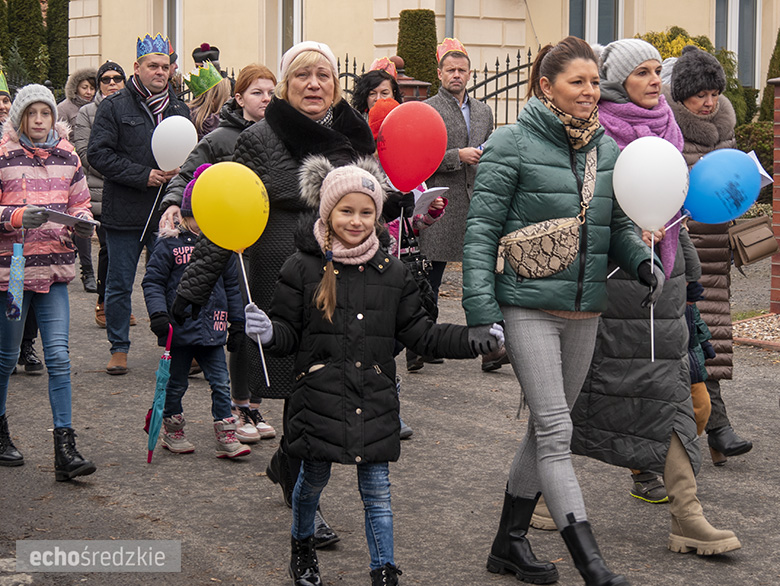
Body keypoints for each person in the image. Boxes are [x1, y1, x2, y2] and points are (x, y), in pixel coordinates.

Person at [244, 156, 493, 586]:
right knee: (311, 483)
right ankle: (302, 549)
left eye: (365, 212)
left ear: (377, 216)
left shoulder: (392, 273)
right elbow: (288, 335)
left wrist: (471, 339)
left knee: (377, 492)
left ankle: (384, 569)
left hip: (374, 399)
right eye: (346, 210)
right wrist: (268, 332)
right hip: (318, 399)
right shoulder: (301, 268)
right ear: (328, 211)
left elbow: (422, 334)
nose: (356, 221)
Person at [463, 36, 654, 585]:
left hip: (584, 310)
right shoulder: (511, 143)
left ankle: (508, 544)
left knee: (547, 428)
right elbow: (481, 232)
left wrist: (641, 260)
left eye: (595, 82)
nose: (590, 91)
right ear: (547, 86)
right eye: (578, 81)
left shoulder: (605, 149)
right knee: (554, 430)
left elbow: (617, 225)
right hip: (527, 305)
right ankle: (593, 566)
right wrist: (480, 311)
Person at [171, 41, 375, 549]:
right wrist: (193, 289)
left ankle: (287, 462)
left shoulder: (352, 139)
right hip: (280, 277)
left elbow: (371, 216)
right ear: (285, 85)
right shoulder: (259, 138)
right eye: (302, 75)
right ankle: (305, 495)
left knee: (329, 385)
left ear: (336, 86)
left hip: (341, 279)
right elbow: (229, 216)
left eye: (324, 75)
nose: (314, 84)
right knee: (302, 388)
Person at [570, 38, 740, 556]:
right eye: (641, 72)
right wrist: (625, 230)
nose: (653, 81)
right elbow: (579, 212)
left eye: (654, 71)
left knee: (669, 396)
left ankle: (688, 516)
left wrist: (685, 272)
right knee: (575, 397)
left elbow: (673, 205)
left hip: (662, 283)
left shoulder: (667, 127)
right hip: (613, 283)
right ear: (618, 81)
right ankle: (537, 498)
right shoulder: (595, 132)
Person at [159, 63, 278, 443]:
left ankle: (254, 403)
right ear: (239, 97)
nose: (266, 99)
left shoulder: (279, 135)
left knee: (264, 322)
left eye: (271, 92)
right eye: (257, 92)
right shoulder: (221, 139)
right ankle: (238, 405)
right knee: (242, 324)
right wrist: (174, 202)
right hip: (231, 244)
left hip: (269, 241)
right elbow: (186, 174)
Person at [0, 84, 97, 481]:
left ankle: (65, 449)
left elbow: (80, 201)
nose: (39, 121)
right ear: (20, 117)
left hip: (55, 270)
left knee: (58, 357)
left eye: (45, 113)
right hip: (13, 275)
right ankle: (0, 433)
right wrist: (16, 217)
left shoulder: (68, 156)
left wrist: (83, 221)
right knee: (6, 357)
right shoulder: (3, 155)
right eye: (32, 114)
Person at [665, 45, 753, 466]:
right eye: (700, 94)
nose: (709, 102)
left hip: (718, 251)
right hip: (685, 249)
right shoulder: (668, 130)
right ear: (682, 94)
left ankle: (714, 432)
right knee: (696, 341)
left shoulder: (725, 128)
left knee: (712, 340)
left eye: (714, 93)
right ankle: (715, 427)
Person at [87, 33, 190, 376]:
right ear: (137, 67)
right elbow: (98, 154)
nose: (160, 72)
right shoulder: (114, 106)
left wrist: (179, 175)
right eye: (153, 66)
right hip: (125, 210)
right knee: (119, 283)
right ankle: (119, 347)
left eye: (165, 67)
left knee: (174, 281)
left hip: (167, 210)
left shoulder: (179, 108)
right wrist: (143, 175)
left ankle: (178, 345)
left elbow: (190, 154)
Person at [142, 166, 249, 459]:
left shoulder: (223, 247)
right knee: (175, 383)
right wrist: (158, 314)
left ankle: (226, 432)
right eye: (199, 217)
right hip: (178, 331)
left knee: (221, 382)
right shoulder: (169, 245)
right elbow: (152, 282)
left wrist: (237, 322)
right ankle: (172, 428)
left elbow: (233, 287)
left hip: (213, 329)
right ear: (185, 215)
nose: (204, 224)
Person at [417, 38, 497, 372]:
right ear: (439, 73)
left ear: (470, 74)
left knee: (479, 279)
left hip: (475, 202)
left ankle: (490, 346)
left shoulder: (483, 111)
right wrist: (456, 156)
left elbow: (491, 147)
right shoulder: (428, 109)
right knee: (430, 279)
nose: (456, 75)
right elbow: (419, 157)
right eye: (450, 70)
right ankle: (420, 343)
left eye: (462, 70)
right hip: (441, 202)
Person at [73, 61, 127, 323]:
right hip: (101, 192)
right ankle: (104, 302)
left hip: (130, 191)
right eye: (106, 79)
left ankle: (121, 304)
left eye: (117, 78)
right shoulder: (86, 112)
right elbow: (85, 153)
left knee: (126, 252)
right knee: (108, 247)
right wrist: (120, 171)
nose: (112, 83)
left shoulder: (133, 108)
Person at [0, 70, 44, 376]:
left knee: (29, 288)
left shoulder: (21, 141)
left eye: (5, 100)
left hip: (27, 236)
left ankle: (25, 345)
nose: (2, 106)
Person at [684, 280, 715, 435]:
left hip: (689, 355)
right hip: (661, 355)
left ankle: (689, 443)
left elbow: (693, 314)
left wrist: (703, 340)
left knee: (702, 407)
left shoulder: (687, 283)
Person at [185, 62, 232, 140]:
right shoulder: (228, 121)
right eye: (226, 96)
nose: (230, 99)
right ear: (213, 98)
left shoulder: (189, 116)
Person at [56, 68, 97, 138]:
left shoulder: (99, 105)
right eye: (84, 88)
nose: (89, 92)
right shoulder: (63, 108)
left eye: (92, 88)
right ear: (75, 88)